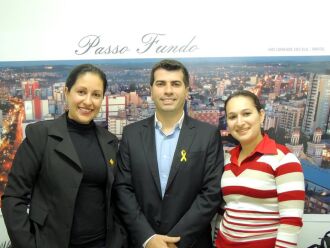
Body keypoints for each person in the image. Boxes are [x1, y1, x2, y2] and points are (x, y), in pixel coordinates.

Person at [1, 64, 126, 248]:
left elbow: (116, 199)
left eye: (96, 95)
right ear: (67, 92)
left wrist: (119, 240)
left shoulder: (110, 141)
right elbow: (13, 197)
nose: (88, 101)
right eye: (81, 92)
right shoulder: (40, 135)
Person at [115, 59, 224, 248]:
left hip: (191, 243)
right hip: (143, 243)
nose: (168, 91)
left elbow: (211, 193)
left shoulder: (207, 135)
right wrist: (149, 238)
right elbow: (123, 189)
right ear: (150, 90)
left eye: (175, 84)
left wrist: (174, 241)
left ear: (187, 90)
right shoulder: (131, 134)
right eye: (161, 84)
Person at [214, 90, 305, 248]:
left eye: (247, 113)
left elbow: (291, 223)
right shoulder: (228, 160)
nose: (240, 122)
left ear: (261, 115)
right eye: (232, 116)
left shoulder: (284, 159)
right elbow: (226, 209)